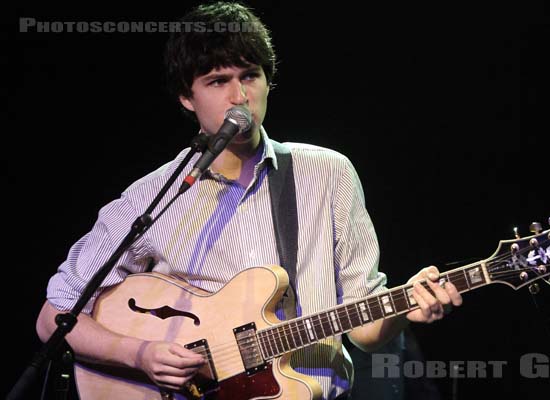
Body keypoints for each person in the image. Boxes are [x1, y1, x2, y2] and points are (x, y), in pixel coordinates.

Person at [35, 2, 463, 399]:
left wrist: (407, 307)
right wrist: (141, 354)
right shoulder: (154, 194)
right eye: (218, 81)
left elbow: (364, 329)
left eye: (249, 76)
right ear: (187, 97)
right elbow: (55, 315)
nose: (239, 96)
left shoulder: (328, 173)